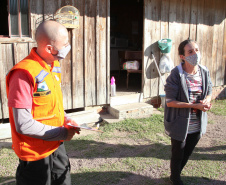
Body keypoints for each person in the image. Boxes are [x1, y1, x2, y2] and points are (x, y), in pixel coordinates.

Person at [6, 20, 80, 185]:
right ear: (49, 48)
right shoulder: (23, 74)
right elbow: (23, 124)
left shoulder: (53, 66)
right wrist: (61, 133)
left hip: (55, 146)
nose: (68, 47)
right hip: (35, 155)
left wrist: (66, 119)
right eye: (65, 44)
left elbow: (51, 105)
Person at [164, 39, 212, 185]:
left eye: (196, 50)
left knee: (188, 152)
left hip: (197, 123)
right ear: (182, 56)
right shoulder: (176, 74)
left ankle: (175, 174)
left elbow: (209, 89)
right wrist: (193, 106)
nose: (195, 54)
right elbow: (170, 101)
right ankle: (176, 179)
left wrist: (207, 100)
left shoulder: (204, 71)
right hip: (180, 123)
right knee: (178, 154)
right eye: (190, 51)